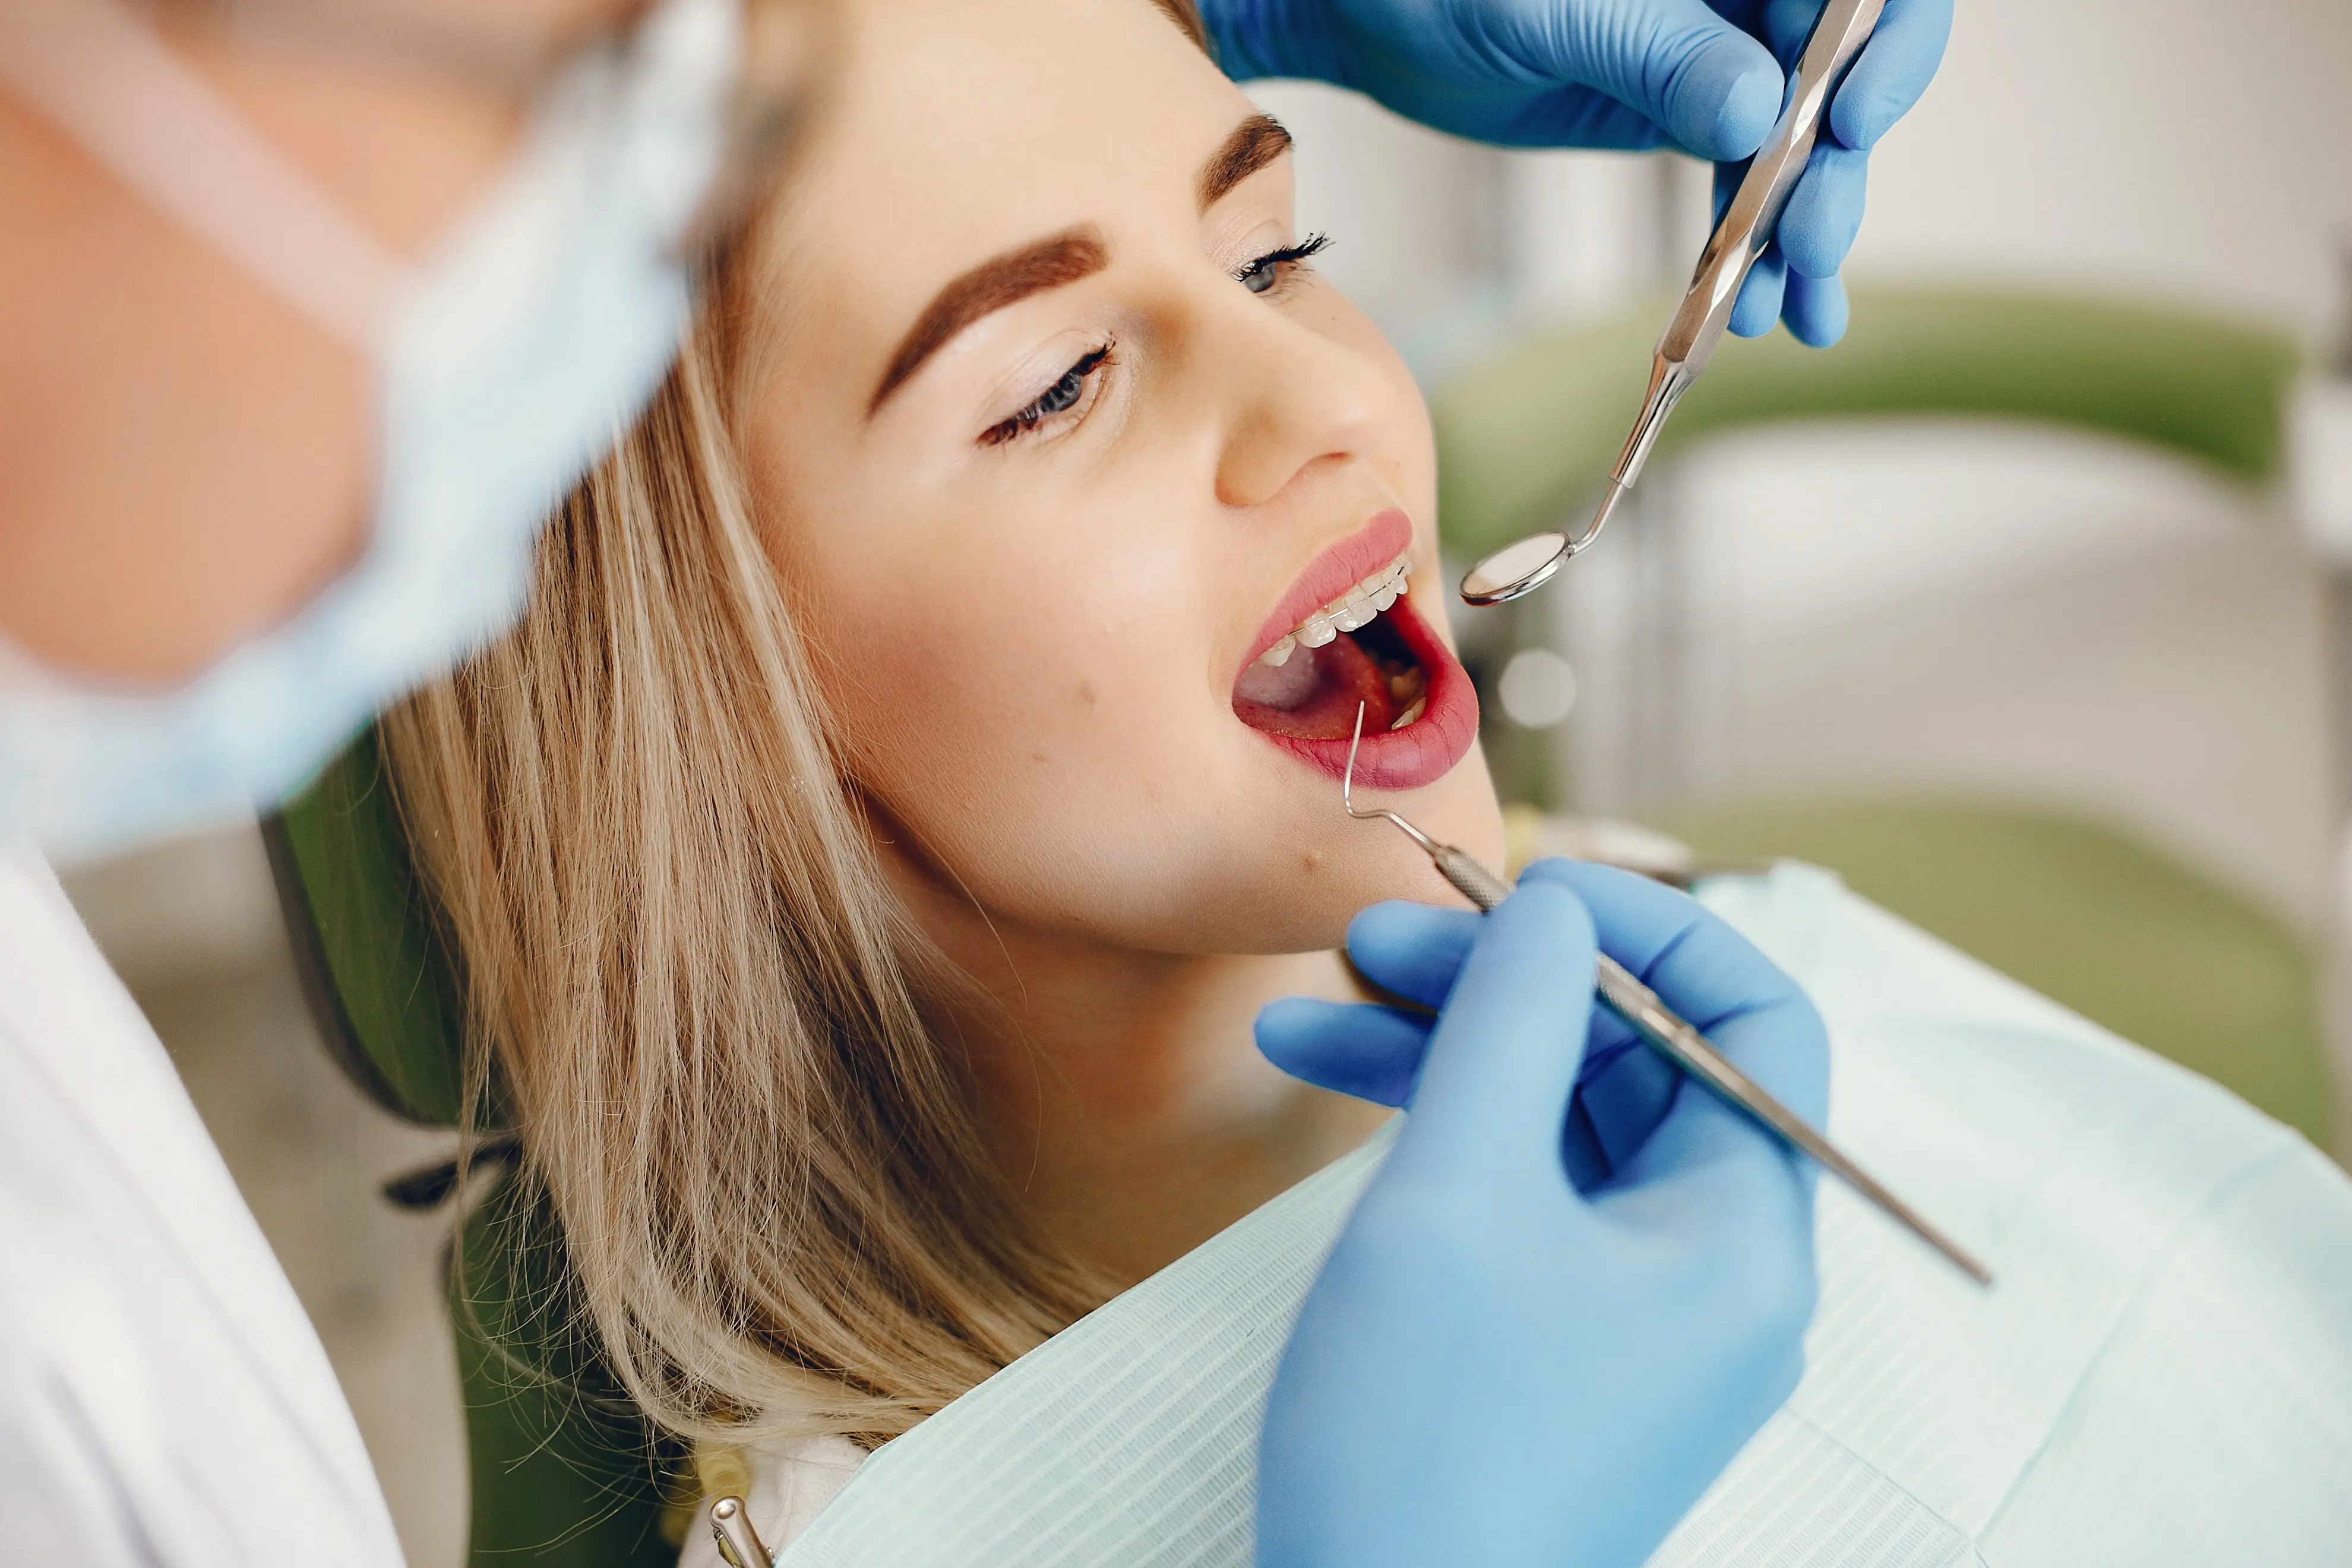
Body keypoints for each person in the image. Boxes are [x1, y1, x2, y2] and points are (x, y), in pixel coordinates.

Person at [0, 0, 1950, 1564]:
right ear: (731, 708)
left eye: (1279, 251)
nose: (1336, 399)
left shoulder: (1743, 962)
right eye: (1052, 384)